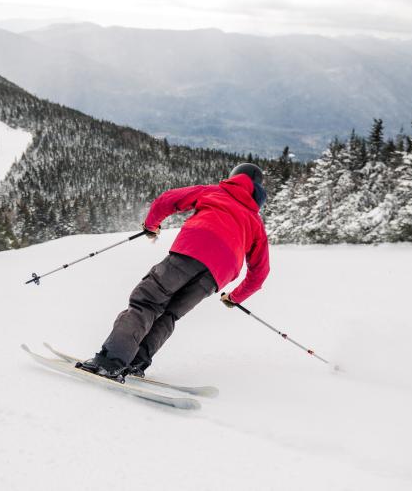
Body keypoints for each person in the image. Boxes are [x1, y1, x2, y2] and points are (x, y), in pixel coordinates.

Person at [77, 163, 271, 381]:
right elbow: (260, 273)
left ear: (234, 178)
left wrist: (151, 225)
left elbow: (167, 200)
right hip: (216, 276)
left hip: (190, 251)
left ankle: (110, 362)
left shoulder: (214, 191)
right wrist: (235, 297)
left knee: (147, 301)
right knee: (169, 314)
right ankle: (134, 363)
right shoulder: (256, 224)